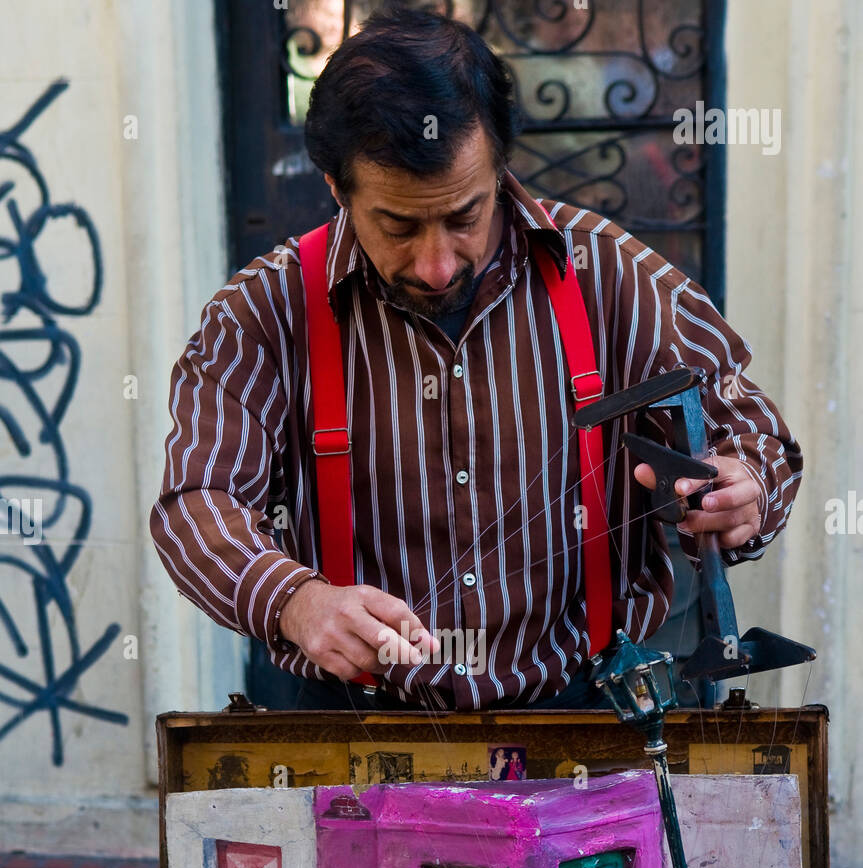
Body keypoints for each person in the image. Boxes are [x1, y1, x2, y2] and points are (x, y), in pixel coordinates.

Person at [150, 5, 802, 714]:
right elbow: (196, 504)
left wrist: (744, 492)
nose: (434, 266)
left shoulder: (612, 274)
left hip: (591, 711)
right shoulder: (262, 312)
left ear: (499, 166)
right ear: (337, 189)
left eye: (464, 216)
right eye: (397, 225)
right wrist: (294, 600)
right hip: (356, 731)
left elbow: (755, 437)